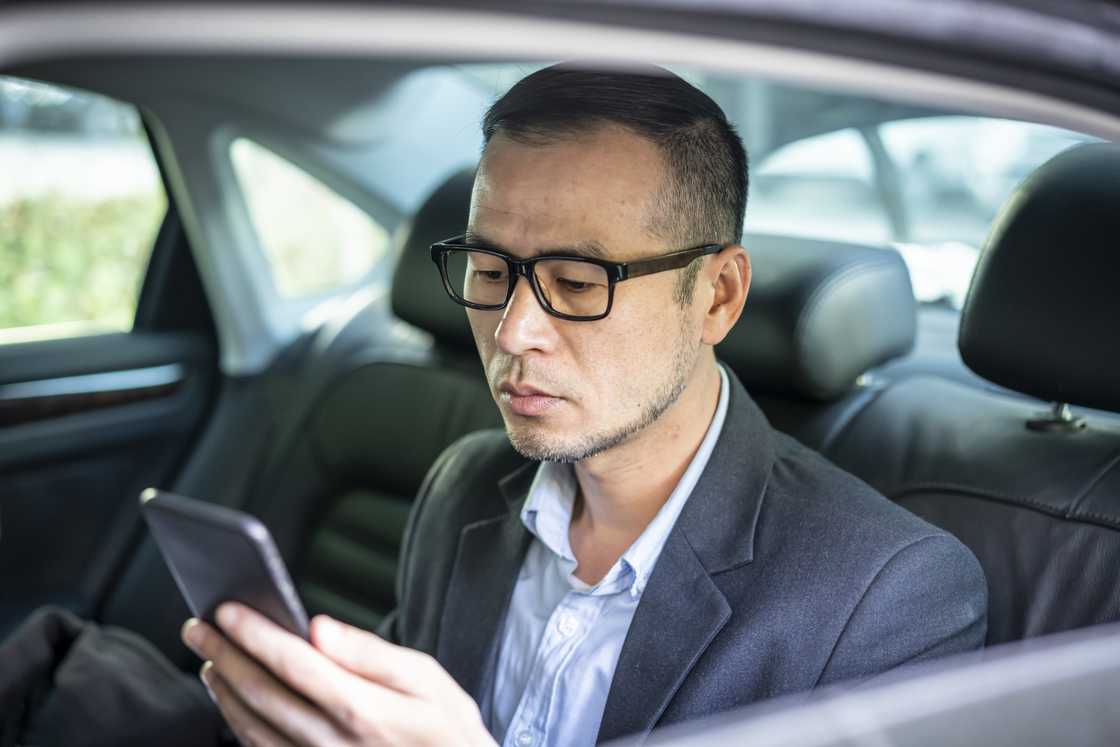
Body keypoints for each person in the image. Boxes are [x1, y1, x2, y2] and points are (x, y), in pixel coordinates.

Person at [179, 64, 987, 746]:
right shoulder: (463, 486)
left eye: (575, 282)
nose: (513, 331)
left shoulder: (886, 598)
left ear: (717, 296)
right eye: (490, 270)